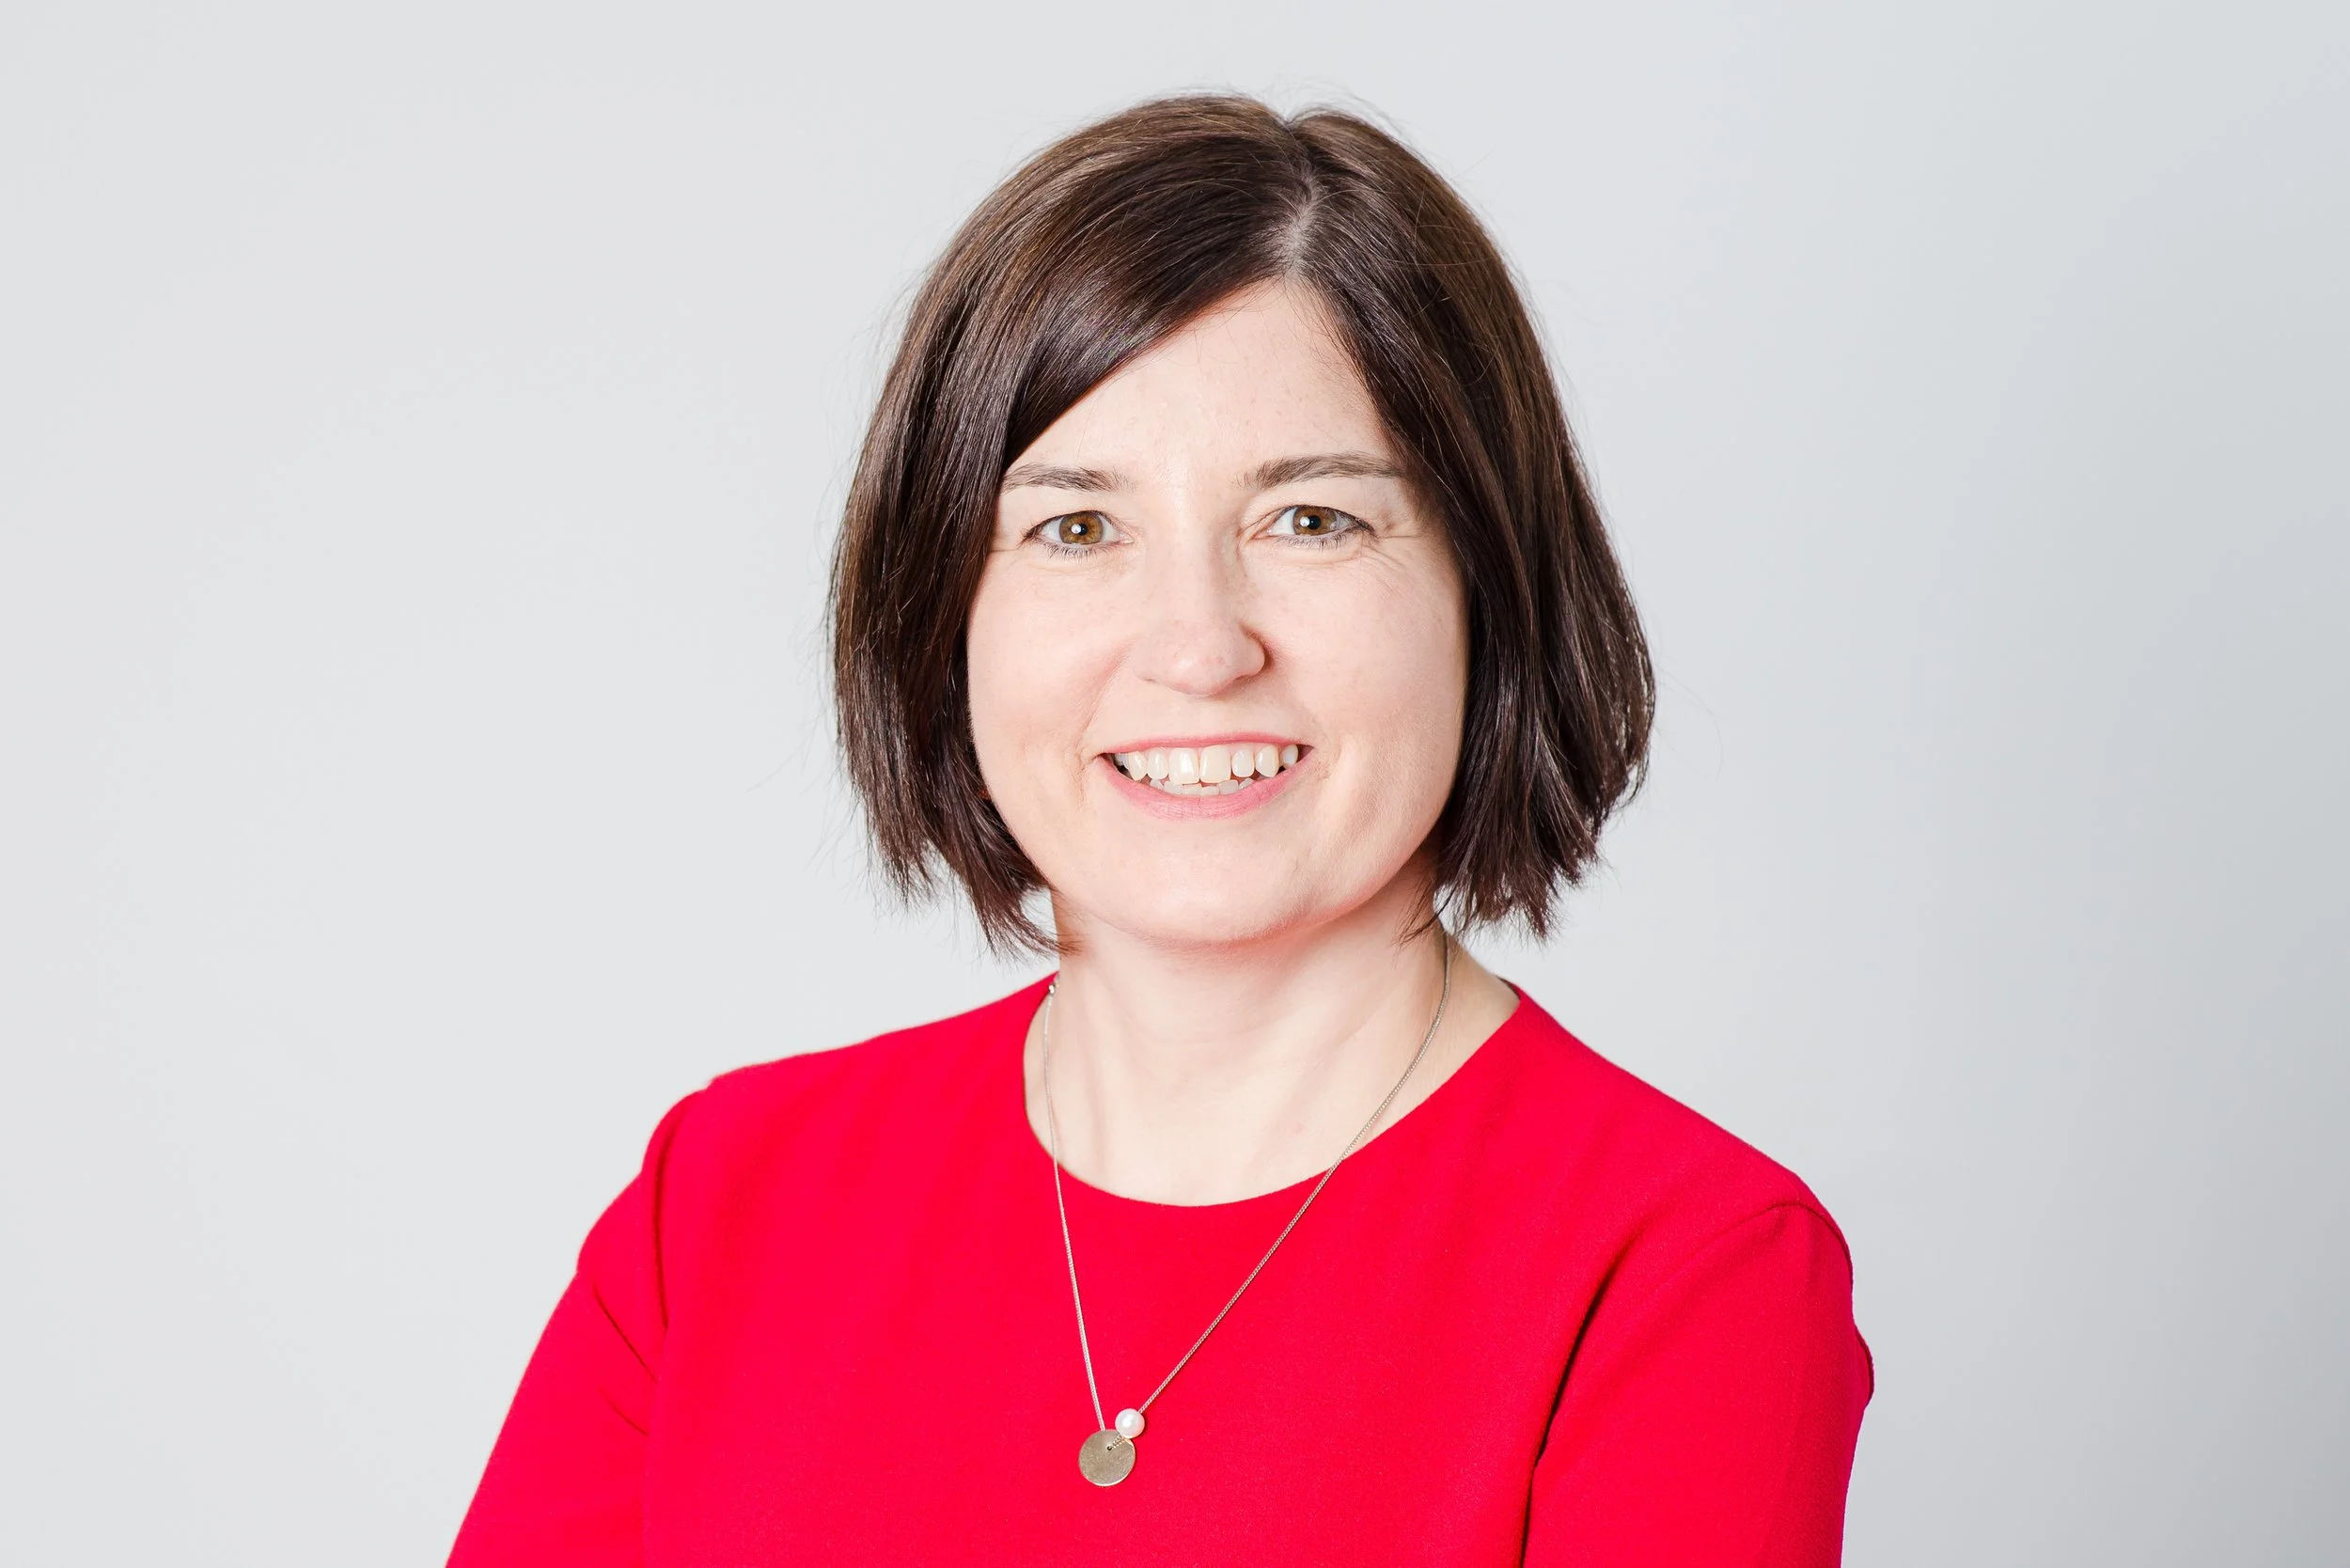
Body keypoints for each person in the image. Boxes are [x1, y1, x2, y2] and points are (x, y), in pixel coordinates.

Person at [449, 94, 1872, 1566]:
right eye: (1076, 527)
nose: (1198, 646)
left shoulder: (1686, 1269)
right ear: (941, 613)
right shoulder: (723, 1209)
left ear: (1488, 589)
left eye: (1311, 520)